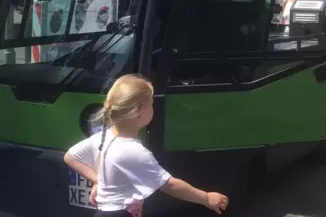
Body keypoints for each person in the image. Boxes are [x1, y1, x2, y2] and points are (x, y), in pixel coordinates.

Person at [64, 75, 228, 217]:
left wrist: (98, 181)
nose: (153, 108)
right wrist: (205, 198)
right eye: (151, 103)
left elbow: (70, 157)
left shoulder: (103, 137)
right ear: (140, 110)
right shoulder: (134, 151)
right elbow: (170, 185)